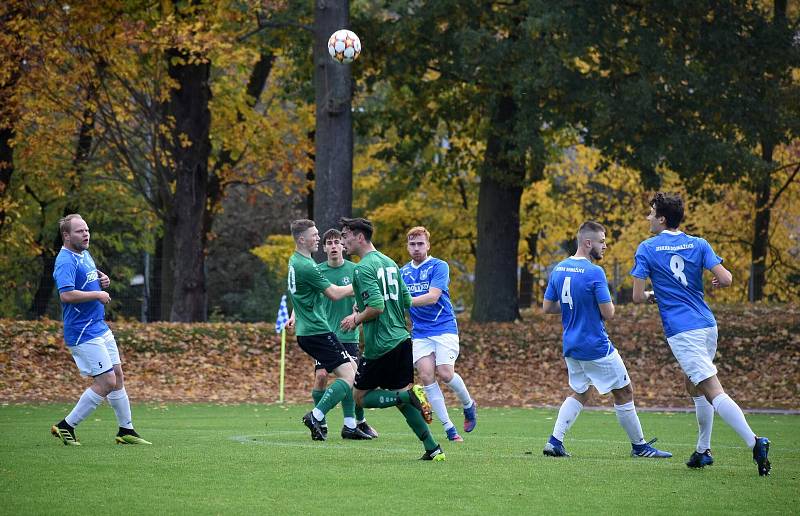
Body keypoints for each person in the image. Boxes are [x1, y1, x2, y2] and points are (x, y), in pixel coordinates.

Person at [631, 193, 771, 476]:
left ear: (662, 219)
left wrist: (651, 295)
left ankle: (755, 442)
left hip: (683, 331)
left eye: (651, 212)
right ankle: (702, 450)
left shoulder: (646, 248)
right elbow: (728, 278)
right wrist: (719, 280)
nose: (647, 217)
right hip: (707, 325)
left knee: (711, 389)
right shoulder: (698, 243)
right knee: (692, 386)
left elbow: (635, 296)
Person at [542, 221, 671, 459]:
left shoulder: (559, 269)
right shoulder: (594, 272)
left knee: (580, 391)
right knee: (624, 391)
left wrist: (576, 307)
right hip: (595, 346)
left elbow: (547, 307)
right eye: (602, 242)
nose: (606, 246)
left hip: (571, 345)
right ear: (587, 242)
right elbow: (609, 313)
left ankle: (554, 441)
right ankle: (640, 447)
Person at [338, 217, 444, 461]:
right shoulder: (390, 262)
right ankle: (433, 448)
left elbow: (376, 306)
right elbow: (405, 300)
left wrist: (356, 318)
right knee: (400, 399)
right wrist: (362, 304)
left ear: (360, 237)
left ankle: (408, 396)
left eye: (346, 236)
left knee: (360, 397)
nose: (343, 241)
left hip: (381, 345)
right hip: (402, 340)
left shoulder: (363, 268)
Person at [50, 214, 151, 446]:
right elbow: (66, 295)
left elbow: (86, 279)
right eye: (79, 231)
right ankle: (66, 426)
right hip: (83, 332)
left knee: (117, 377)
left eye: (86, 230)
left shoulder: (84, 254)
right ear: (66, 236)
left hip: (99, 327)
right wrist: (97, 294)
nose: (86, 234)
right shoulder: (65, 260)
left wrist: (101, 280)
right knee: (106, 381)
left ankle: (126, 430)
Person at [287, 219, 372, 440]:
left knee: (353, 371)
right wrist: (361, 285)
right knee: (348, 377)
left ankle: (352, 424)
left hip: (312, 332)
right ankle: (316, 416)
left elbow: (302, 296)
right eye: (315, 235)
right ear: (302, 239)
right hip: (317, 331)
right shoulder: (307, 266)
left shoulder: (295, 260)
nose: (318, 238)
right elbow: (334, 293)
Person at [400, 226, 476, 442]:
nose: (416, 248)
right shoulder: (402, 272)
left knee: (445, 373)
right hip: (421, 332)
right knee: (425, 376)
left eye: (420, 244)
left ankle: (469, 405)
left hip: (443, 326)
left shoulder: (438, 266)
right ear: (407, 246)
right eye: (412, 244)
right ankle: (449, 429)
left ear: (428, 245)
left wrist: (403, 301)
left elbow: (433, 297)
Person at [309, 228, 378, 438]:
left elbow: (366, 297)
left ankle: (352, 423)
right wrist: (295, 315)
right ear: (324, 248)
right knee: (321, 377)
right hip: (325, 335)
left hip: (348, 335)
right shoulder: (317, 271)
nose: (333, 246)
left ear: (342, 246)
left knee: (350, 379)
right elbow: (306, 297)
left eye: (336, 242)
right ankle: (320, 421)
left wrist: (357, 310)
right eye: (328, 243)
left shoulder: (355, 270)